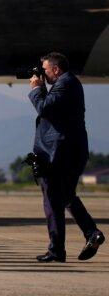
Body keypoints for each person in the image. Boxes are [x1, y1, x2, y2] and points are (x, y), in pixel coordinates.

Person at [29, 52, 104, 263]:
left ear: (56, 69)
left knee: (52, 200)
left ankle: (57, 250)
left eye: (44, 70)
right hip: (70, 151)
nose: (41, 74)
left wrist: (36, 89)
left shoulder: (65, 84)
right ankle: (91, 233)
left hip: (59, 153)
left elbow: (44, 107)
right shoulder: (68, 84)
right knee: (66, 196)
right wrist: (42, 88)